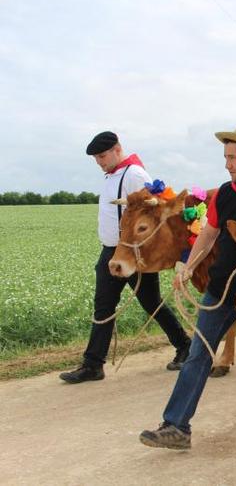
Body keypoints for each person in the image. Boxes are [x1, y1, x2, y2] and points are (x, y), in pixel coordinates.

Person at [140, 126, 236, 450]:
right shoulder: (224, 193)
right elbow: (209, 234)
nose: (227, 164)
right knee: (198, 355)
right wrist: (189, 266)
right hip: (220, 288)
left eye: (233, 157)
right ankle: (176, 426)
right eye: (226, 158)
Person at [60, 132, 191, 384]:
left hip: (133, 252)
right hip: (111, 251)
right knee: (104, 305)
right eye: (96, 158)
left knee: (151, 302)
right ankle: (93, 365)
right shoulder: (112, 176)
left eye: (102, 155)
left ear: (117, 149)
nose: (99, 161)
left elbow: (153, 211)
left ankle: (185, 345)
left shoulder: (134, 174)